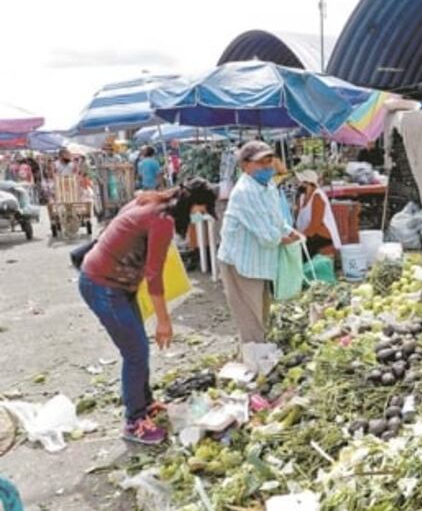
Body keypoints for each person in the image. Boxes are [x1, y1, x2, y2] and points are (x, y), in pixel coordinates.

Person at [80, 178, 217, 444]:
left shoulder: (153, 200)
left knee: (138, 348)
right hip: (104, 284)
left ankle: (144, 403)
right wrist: (164, 321)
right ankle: (133, 421)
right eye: (201, 211)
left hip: (114, 282)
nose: (199, 217)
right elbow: (154, 275)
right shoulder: (162, 219)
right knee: (136, 353)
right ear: (192, 204)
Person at [218, 141, 300, 346]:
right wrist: (284, 238)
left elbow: (276, 219)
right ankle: (254, 363)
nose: (267, 166)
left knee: (262, 313)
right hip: (240, 264)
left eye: (269, 160)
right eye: (260, 162)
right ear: (245, 165)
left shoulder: (268, 185)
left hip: (260, 261)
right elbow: (267, 235)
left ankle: (258, 357)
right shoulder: (245, 191)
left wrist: (290, 231)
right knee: (250, 320)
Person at [294, 169, 342, 257]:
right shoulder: (301, 198)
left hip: (322, 235)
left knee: (301, 251)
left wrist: (300, 237)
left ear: (308, 184)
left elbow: (315, 224)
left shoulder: (317, 196)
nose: (298, 184)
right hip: (308, 234)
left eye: (301, 182)